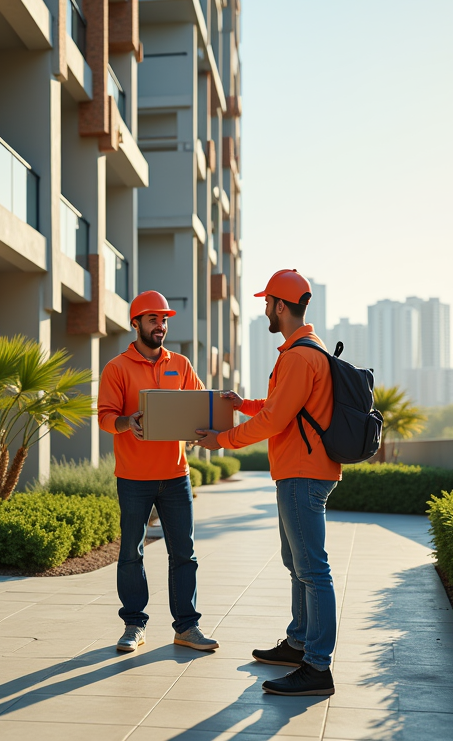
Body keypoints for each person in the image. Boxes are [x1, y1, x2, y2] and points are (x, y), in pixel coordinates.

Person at [193, 269, 341, 696]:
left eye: (267, 302)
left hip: (301, 472)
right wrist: (243, 405)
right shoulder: (305, 351)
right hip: (300, 471)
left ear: (281, 305)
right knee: (298, 566)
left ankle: (317, 667)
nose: (264, 310)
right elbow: (282, 407)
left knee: (313, 570)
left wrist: (222, 440)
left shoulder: (298, 356)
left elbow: (275, 419)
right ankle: (298, 643)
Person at [97, 290, 219, 653]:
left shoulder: (180, 364)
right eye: (153, 319)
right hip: (133, 477)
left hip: (176, 475)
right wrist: (125, 423)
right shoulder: (117, 368)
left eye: (164, 319)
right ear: (135, 323)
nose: (161, 325)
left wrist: (206, 422)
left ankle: (187, 627)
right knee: (131, 552)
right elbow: (105, 417)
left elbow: (200, 404)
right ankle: (134, 625)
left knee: (184, 553)